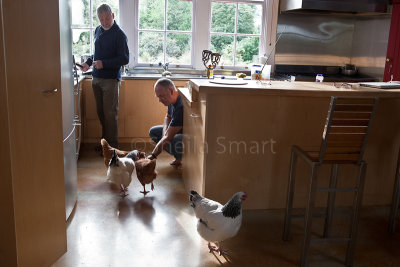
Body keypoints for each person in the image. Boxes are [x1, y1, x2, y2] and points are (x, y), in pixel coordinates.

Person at [81, 3, 129, 148]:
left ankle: (112, 148)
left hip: (110, 80)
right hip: (96, 78)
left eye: (107, 18)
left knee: (110, 115)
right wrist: (88, 63)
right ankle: (105, 144)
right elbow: (96, 53)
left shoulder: (119, 34)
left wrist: (104, 64)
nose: (104, 22)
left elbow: (124, 59)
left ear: (113, 16)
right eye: (101, 19)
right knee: (101, 113)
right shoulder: (98, 30)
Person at [148, 78, 183, 167]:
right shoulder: (171, 100)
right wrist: (165, 132)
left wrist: (152, 156)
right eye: (158, 97)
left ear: (171, 91)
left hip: (188, 136)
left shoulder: (180, 107)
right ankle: (178, 158)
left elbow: (168, 137)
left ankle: (181, 158)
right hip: (176, 130)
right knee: (153, 131)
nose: (160, 100)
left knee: (175, 139)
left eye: (161, 96)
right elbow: (167, 117)